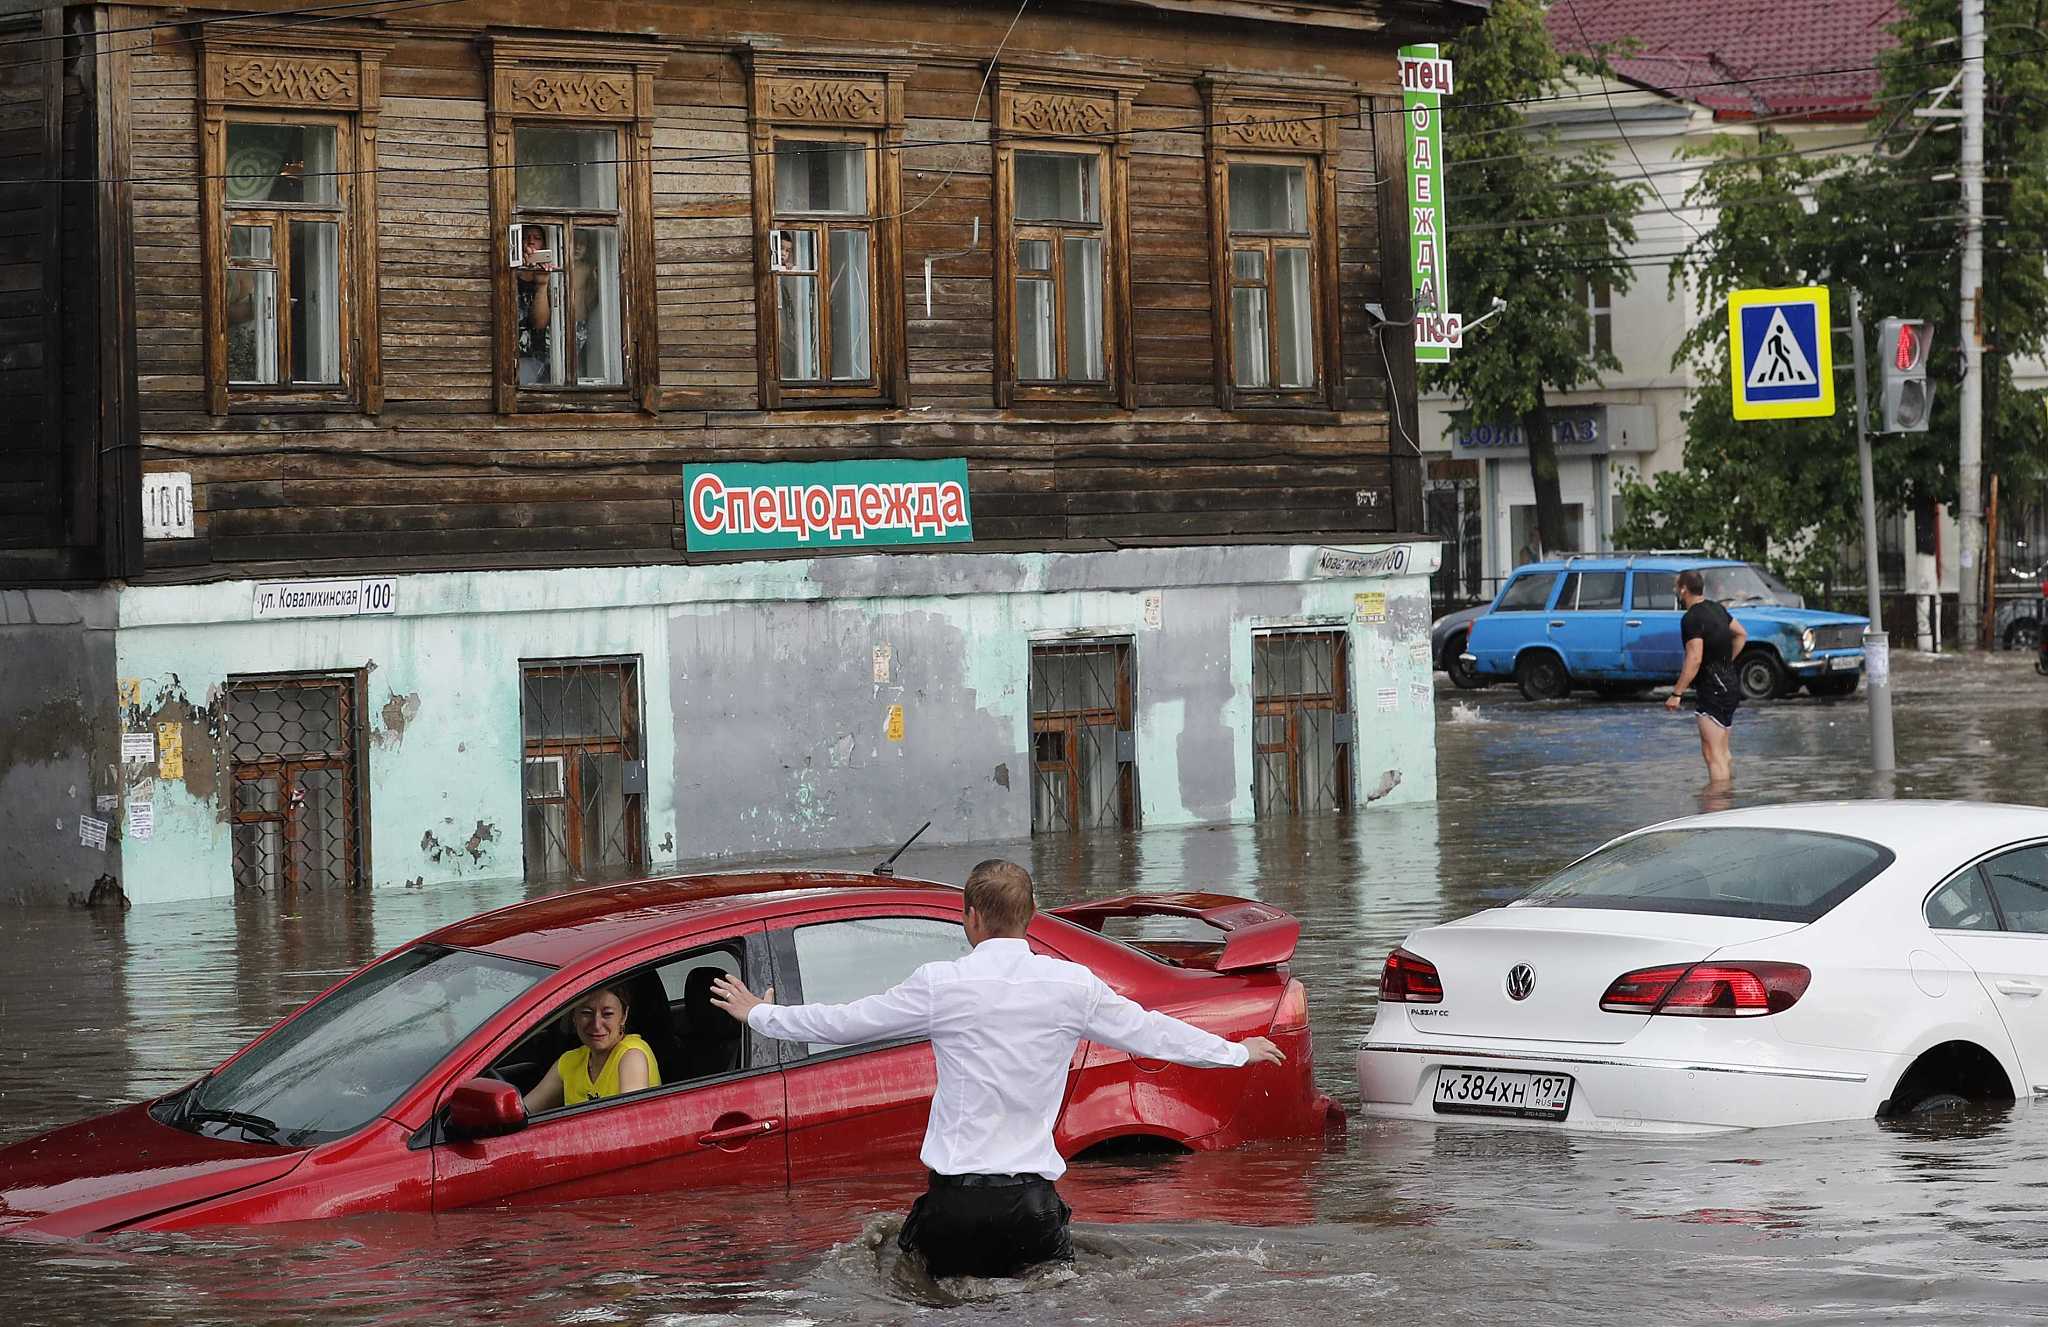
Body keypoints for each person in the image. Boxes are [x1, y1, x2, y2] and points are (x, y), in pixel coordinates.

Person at [709, 859, 1284, 1281]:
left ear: (970, 918)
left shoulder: (941, 984)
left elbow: (843, 1023)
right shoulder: (1071, 985)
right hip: (1032, 1208)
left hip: (954, 1208)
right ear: (1032, 917)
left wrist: (761, 1013)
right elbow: (1151, 1032)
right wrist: (1236, 1051)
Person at [521, 984, 659, 1113]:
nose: (597, 1025)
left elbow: (629, 1120)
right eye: (587, 1013)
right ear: (574, 1016)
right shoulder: (570, 1061)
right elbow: (523, 1111)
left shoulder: (632, 1055)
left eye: (607, 1014)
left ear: (623, 1016)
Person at [1667, 567, 1748, 784]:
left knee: (1713, 755)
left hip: (1713, 689)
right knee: (1722, 751)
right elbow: (1741, 634)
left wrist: (1677, 693)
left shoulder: (1691, 618)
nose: (1675, 591)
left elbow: (1694, 658)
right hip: (1730, 684)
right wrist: (1725, 661)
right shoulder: (1717, 609)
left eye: (1676, 586)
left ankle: (1718, 806)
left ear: (1683, 589)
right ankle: (1726, 800)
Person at [514, 224, 557, 386]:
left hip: (540, 356)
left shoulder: (549, 276)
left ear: (545, 247)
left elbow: (539, 323)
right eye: (526, 237)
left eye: (537, 238)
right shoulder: (511, 272)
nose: (531, 242)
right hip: (513, 356)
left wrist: (542, 284)